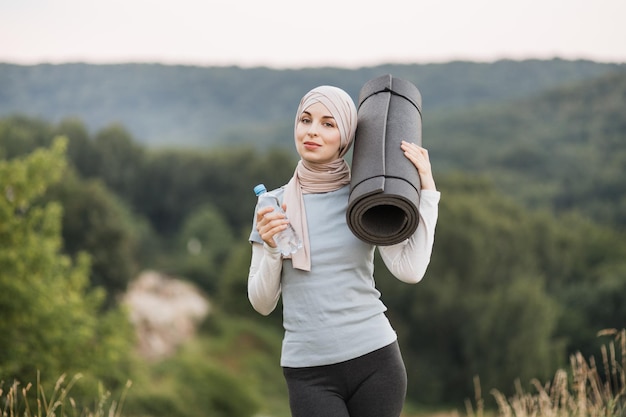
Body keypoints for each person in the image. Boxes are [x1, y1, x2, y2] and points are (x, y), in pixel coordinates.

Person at [248, 85, 439, 417]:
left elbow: (411, 269)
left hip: (375, 361)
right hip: (308, 372)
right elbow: (262, 303)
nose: (312, 131)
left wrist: (427, 192)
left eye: (328, 123)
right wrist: (272, 249)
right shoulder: (272, 205)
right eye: (305, 120)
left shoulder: (364, 198)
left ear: (346, 136)